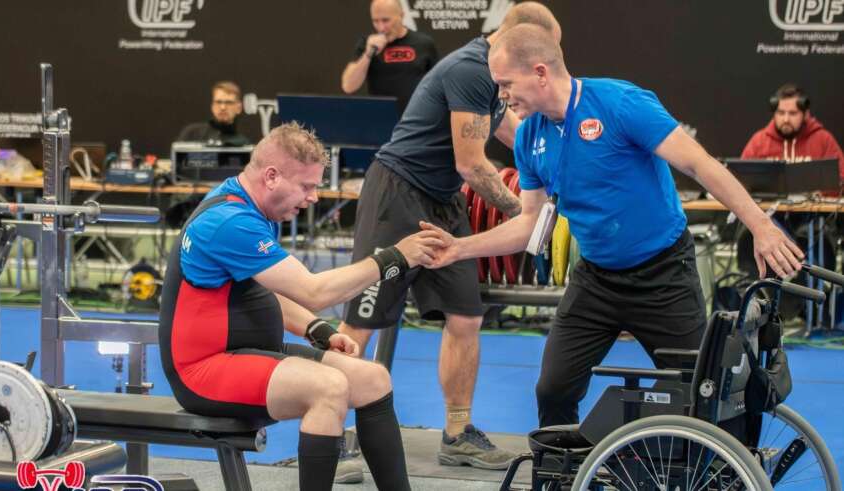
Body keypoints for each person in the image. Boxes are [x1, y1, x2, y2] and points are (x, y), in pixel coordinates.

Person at [419, 23, 805, 428]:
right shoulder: (529, 136)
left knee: (702, 389)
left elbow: (699, 164)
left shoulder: (620, 104)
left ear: (540, 73)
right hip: (595, 281)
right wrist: (459, 248)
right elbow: (530, 224)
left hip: (664, 276)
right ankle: (566, 463)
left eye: (505, 84)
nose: (501, 95)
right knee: (552, 390)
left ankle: (723, 462)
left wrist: (760, 226)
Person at [159, 122, 445, 490]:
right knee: (328, 387)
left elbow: (263, 290)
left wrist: (315, 329)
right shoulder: (229, 222)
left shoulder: (253, 208)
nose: (313, 197)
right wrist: (395, 257)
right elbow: (314, 291)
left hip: (248, 353)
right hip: (202, 371)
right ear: (272, 177)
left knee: (372, 379)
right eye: (306, 186)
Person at [338, 2, 562, 472]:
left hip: (442, 200)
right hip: (397, 194)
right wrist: (528, 213)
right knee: (361, 321)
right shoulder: (471, 69)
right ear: (517, 39)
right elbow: (472, 164)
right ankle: (329, 433)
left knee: (465, 316)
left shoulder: (498, 78)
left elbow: (515, 134)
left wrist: (560, 170)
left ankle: (458, 434)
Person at [741, 83, 844, 196]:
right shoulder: (759, 141)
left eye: (792, 113)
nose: (786, 119)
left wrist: (820, 192)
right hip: (769, 207)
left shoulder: (823, 139)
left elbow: (841, 178)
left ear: (805, 114)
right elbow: (740, 181)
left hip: (814, 207)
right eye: (781, 113)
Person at [341, 0, 439, 116]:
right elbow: (348, 86)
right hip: (381, 119)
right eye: (375, 21)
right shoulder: (367, 45)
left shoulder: (424, 44)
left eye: (386, 20)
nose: (381, 27)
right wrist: (368, 54)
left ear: (401, 16)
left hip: (416, 120)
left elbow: (438, 86)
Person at [177, 81, 251, 146]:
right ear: (212, 106)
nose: (223, 107)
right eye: (218, 102)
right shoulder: (192, 133)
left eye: (229, 102)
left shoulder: (244, 144)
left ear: (239, 108)